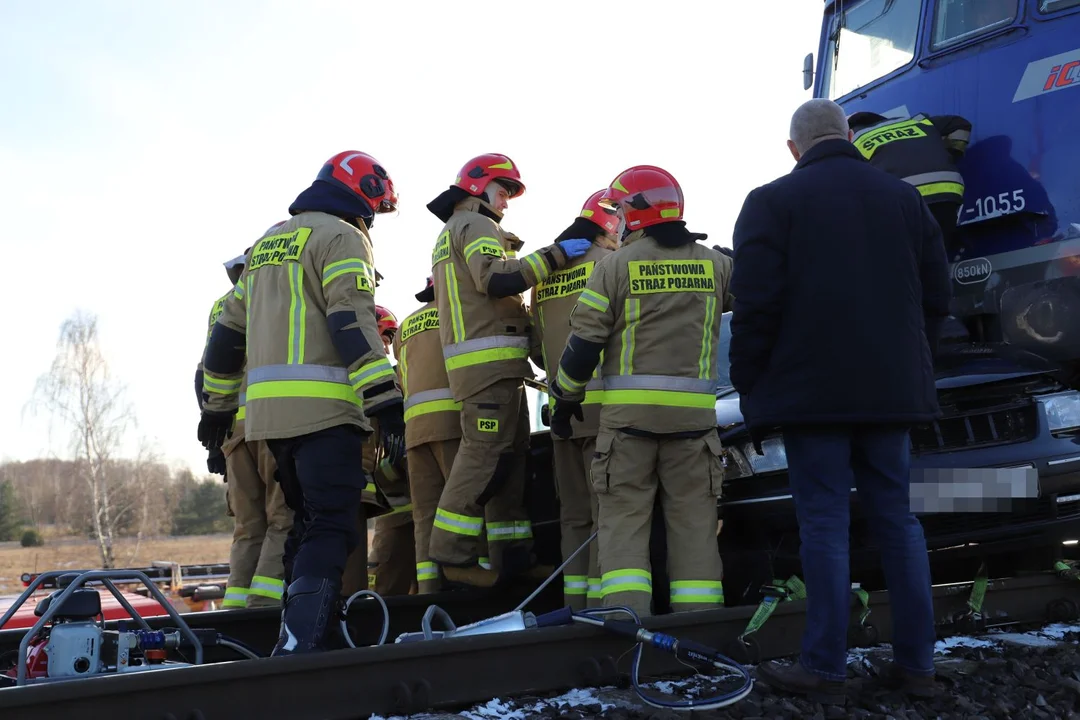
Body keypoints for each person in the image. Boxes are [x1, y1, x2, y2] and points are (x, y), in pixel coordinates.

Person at [729, 98, 951, 702]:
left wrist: (749, 382)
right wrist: (913, 365)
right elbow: (937, 295)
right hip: (891, 392)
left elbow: (754, 308)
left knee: (824, 525)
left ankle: (824, 668)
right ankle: (917, 667)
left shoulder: (771, 202)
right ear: (850, 136)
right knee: (900, 523)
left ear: (794, 149)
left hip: (811, 396)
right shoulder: (904, 199)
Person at [199, 150, 406, 655]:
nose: (372, 220)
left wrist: (217, 410)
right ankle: (303, 647)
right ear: (364, 198)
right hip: (327, 414)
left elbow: (226, 334)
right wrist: (386, 401)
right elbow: (351, 322)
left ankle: (310, 632)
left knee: (302, 527)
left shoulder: (269, 241)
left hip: (270, 422)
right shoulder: (342, 237)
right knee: (332, 525)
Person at [548, 165, 731, 618]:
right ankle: (701, 627)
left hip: (628, 428)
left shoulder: (615, 266)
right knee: (694, 525)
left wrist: (566, 399)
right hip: (695, 427)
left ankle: (626, 629)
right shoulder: (717, 265)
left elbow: (583, 344)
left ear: (633, 212)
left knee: (624, 525)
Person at [426, 152, 590, 587]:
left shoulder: (454, 231)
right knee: (483, 458)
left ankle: (513, 560)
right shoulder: (476, 225)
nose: (506, 201)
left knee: (508, 463)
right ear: (479, 187)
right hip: (488, 369)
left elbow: (501, 303)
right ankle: (452, 555)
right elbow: (496, 280)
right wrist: (555, 256)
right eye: (504, 191)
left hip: (496, 368)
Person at [528, 190, 618, 608]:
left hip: (562, 414)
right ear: (611, 228)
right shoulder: (610, 265)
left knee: (574, 516)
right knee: (608, 514)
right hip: (606, 413)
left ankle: (573, 606)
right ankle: (603, 608)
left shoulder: (544, 281)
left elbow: (536, 347)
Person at [202, 243, 294, 610]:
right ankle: (263, 608)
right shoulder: (278, 295)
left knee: (247, 525)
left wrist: (214, 442)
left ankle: (235, 607)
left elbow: (207, 371)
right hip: (271, 422)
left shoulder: (221, 307)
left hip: (231, 432)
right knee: (283, 517)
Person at [394, 277, 494, 593]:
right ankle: (475, 582)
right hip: (452, 423)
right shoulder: (458, 312)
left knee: (425, 515)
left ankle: (428, 590)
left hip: (415, 432)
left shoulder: (405, 326)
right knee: (468, 502)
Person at [847, 110, 971, 256]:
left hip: (902, 202)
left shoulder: (853, 139)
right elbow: (960, 124)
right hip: (946, 191)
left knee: (908, 265)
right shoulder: (916, 121)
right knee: (937, 258)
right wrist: (951, 154)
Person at [363, 305, 418, 597]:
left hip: (397, 489)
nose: (389, 344)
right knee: (387, 572)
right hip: (393, 494)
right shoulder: (380, 376)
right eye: (389, 335)